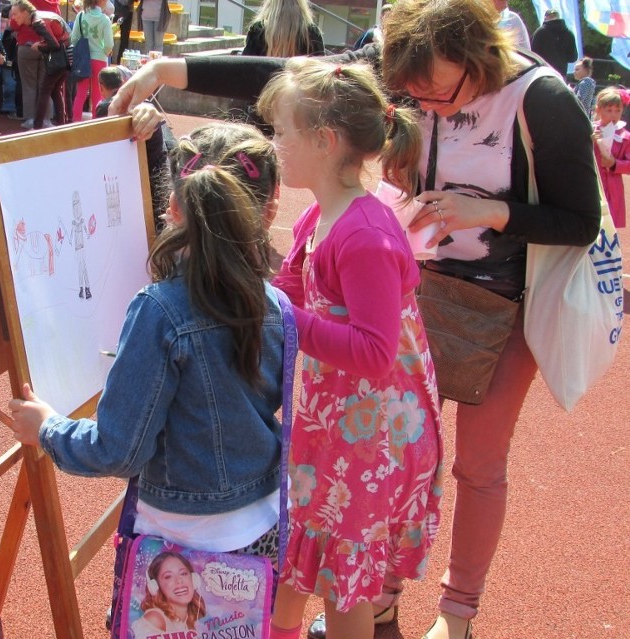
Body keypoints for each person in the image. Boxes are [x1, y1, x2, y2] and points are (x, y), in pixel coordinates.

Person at [111, 1, 603, 637]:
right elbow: (296, 81)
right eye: (411, 89)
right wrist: (169, 71)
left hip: (424, 368)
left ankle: (453, 616)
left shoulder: (534, 105)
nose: (421, 100)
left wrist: (489, 213)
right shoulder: (328, 212)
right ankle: (369, 608)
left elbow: (578, 219)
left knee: (442, 491)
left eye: (434, 90)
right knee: (312, 552)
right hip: (343, 411)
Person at [7, 122, 286, 566]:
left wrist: (47, 429)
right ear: (270, 210)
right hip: (265, 524)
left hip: (180, 539)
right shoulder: (279, 305)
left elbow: (116, 450)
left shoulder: (159, 311)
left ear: (174, 207)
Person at [252, 57, 443, 639]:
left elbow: (373, 350)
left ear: (324, 139)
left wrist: (281, 317)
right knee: (300, 548)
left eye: (282, 129)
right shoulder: (320, 213)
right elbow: (288, 285)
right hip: (336, 426)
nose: (275, 142)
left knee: (344, 581)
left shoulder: (364, 234)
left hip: (371, 437)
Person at [94, 66, 171, 228]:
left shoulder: (107, 108)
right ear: (123, 82)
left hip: (143, 188)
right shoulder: (144, 107)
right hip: (158, 179)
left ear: (101, 87)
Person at [9, 0, 70, 129]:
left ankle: (33, 120)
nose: (14, 15)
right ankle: (47, 120)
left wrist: (41, 45)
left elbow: (14, 25)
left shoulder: (29, 11)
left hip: (31, 46)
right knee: (47, 88)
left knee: (30, 86)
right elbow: (58, 22)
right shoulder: (53, 3)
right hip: (52, 50)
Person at [131, 552, 206, 639]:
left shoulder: (190, 621)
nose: (179, 581)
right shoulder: (156, 619)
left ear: (194, 579)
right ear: (155, 586)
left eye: (183, 573)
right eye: (168, 576)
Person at [592, 87, 630, 228]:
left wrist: (614, 164)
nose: (613, 115)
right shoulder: (590, 130)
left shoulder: (625, 136)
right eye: (609, 110)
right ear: (599, 110)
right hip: (592, 183)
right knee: (591, 221)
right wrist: (591, 141)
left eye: (617, 110)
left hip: (612, 187)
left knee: (609, 226)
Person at [70, 0, 113, 121]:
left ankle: (75, 121)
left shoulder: (81, 15)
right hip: (99, 59)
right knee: (97, 94)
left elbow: (74, 39)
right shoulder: (105, 19)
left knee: (81, 93)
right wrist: (104, 51)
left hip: (83, 58)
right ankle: (95, 122)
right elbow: (109, 44)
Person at [241, 0, 324, 58]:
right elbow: (320, 72)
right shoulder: (312, 33)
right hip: (300, 82)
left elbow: (245, 68)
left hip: (264, 82)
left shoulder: (258, 30)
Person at [531, 8, 577, 76]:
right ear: (559, 18)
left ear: (545, 18)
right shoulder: (569, 33)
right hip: (561, 74)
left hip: (543, 73)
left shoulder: (540, 32)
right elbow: (573, 58)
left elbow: (533, 54)